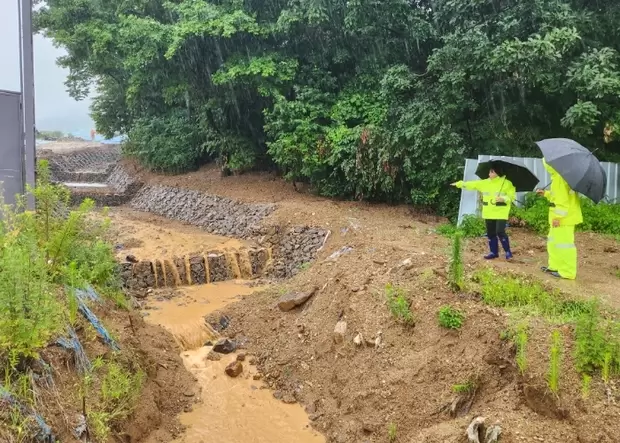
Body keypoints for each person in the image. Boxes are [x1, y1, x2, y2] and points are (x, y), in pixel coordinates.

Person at [451, 165, 516, 259]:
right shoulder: (485, 183)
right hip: (488, 212)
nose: (489, 174)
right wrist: (460, 184)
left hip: (501, 212)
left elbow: (512, 197)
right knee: (491, 233)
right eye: (489, 172)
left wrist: (503, 198)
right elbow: (472, 185)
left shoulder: (507, 183)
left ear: (498, 173)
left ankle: (508, 252)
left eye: (492, 172)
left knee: (500, 231)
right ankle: (493, 252)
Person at [536, 159, 582, 279]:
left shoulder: (560, 179)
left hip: (564, 220)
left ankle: (567, 271)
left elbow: (563, 202)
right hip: (560, 219)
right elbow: (557, 196)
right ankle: (555, 266)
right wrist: (545, 193)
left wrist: (558, 217)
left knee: (564, 245)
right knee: (553, 242)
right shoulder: (559, 177)